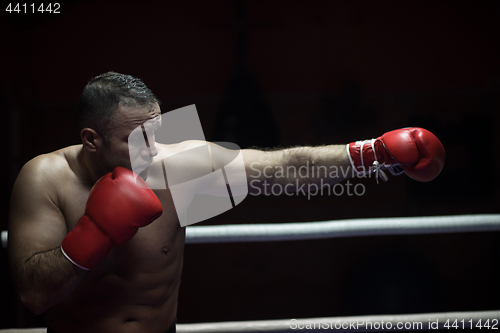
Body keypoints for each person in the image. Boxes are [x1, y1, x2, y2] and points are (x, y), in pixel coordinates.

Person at [8, 72, 445, 333]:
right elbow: (34, 297)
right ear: (91, 140)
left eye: (157, 133)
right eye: (137, 139)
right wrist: (92, 234)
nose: (154, 149)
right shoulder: (45, 179)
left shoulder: (175, 167)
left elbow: (283, 169)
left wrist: (374, 154)